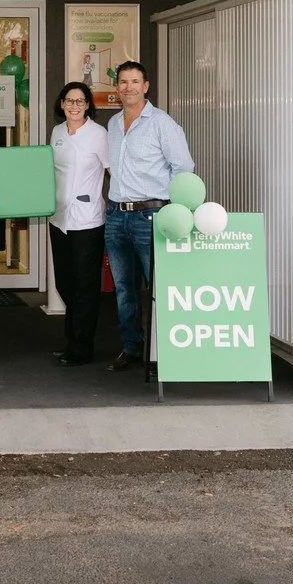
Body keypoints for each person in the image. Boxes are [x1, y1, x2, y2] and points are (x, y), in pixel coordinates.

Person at [103, 60, 194, 373]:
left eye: (134, 81)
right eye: (123, 82)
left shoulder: (162, 123)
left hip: (151, 215)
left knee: (158, 288)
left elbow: (184, 168)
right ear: (117, 88)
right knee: (124, 289)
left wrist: (171, 208)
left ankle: (163, 354)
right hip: (117, 215)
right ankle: (131, 347)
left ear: (145, 86)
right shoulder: (113, 124)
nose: (128, 87)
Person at [47, 81, 109, 367]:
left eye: (80, 101)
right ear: (62, 104)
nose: (74, 106)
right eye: (69, 101)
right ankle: (72, 341)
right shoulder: (57, 133)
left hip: (87, 221)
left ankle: (82, 348)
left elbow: (112, 170)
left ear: (87, 105)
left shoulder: (99, 134)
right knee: (65, 282)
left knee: (85, 286)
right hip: (59, 218)